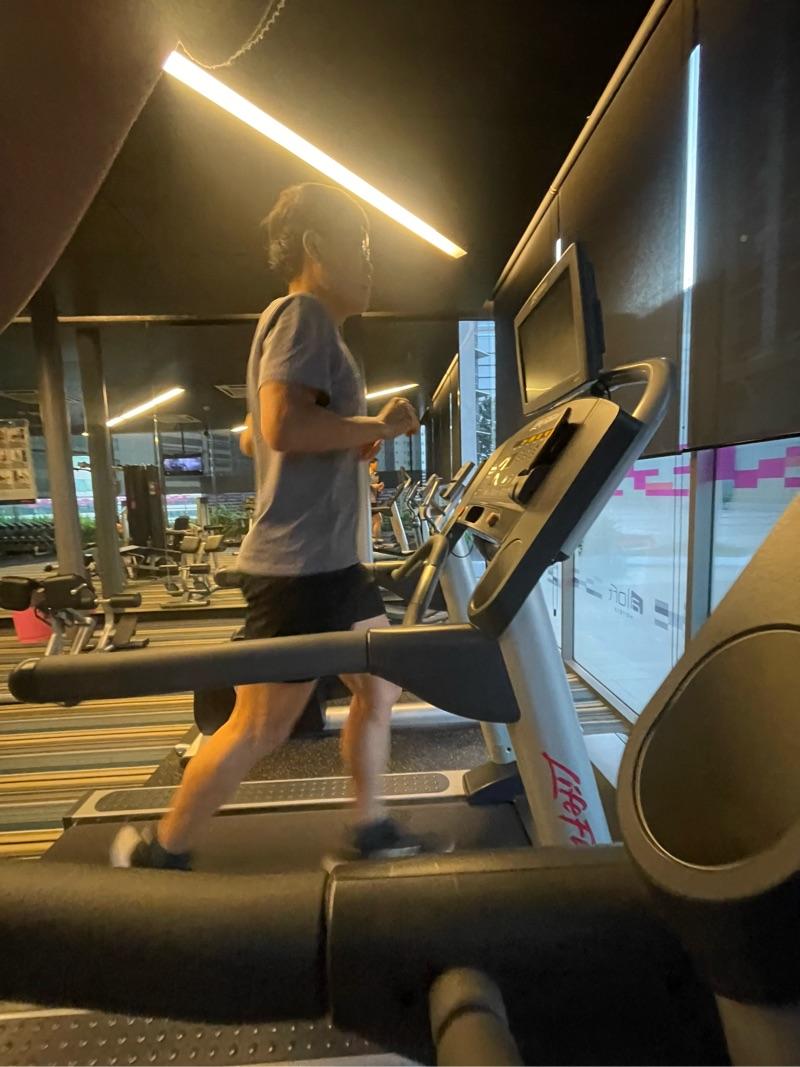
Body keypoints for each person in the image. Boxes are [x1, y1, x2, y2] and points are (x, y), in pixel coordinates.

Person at [111, 181, 436, 870]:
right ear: (316, 246)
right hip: (300, 569)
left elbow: (255, 437)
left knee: (379, 688)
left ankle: (369, 828)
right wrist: (376, 425)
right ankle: (163, 849)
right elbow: (281, 427)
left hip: (332, 566)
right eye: (361, 245)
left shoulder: (309, 329)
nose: (370, 262)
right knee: (260, 725)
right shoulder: (302, 315)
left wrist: (352, 438)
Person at [369, 457, 385, 540]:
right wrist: (376, 486)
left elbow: (375, 488)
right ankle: (375, 539)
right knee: (378, 519)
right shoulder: (366, 474)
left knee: (375, 520)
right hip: (369, 500)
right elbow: (368, 485)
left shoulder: (374, 474)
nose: (377, 466)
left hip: (373, 499)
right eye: (376, 464)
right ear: (371, 464)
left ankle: (373, 539)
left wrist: (380, 487)